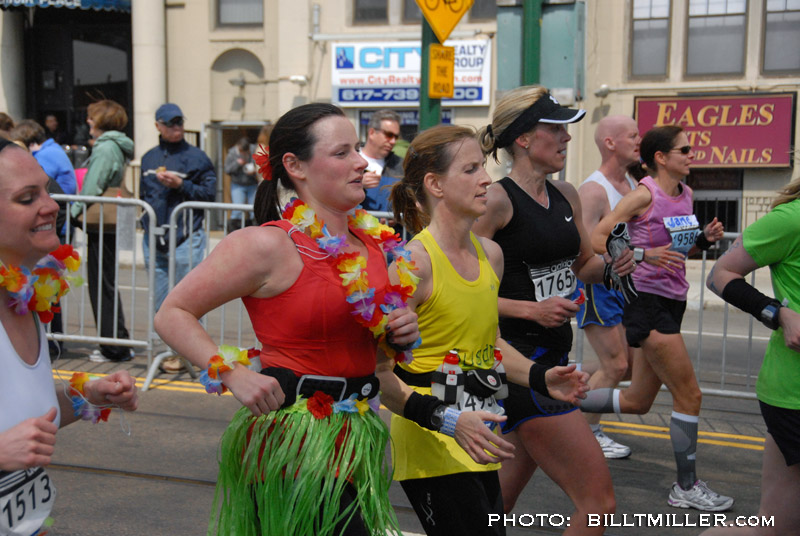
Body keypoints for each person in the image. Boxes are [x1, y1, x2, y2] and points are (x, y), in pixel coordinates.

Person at [153, 103, 518, 535]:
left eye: (357, 151)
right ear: (295, 166)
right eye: (342, 152)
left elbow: (380, 365)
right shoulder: (266, 245)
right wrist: (232, 373)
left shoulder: (378, 247)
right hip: (294, 446)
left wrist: (400, 337)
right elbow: (173, 313)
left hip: (356, 438)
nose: (361, 162)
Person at [388, 124, 591, 536]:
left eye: (482, 167)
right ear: (435, 184)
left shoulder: (491, 255)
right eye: (470, 170)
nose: (485, 179)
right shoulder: (413, 265)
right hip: (434, 438)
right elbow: (380, 373)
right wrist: (446, 419)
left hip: (483, 426)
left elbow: (490, 342)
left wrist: (540, 377)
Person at [473, 86, 634, 534]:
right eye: (555, 128)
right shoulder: (496, 201)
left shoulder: (566, 194)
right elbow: (460, 291)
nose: (566, 137)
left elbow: (584, 265)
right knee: (597, 501)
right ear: (523, 138)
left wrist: (618, 267)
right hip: (515, 361)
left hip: (552, 360)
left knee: (494, 507)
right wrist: (530, 310)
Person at [584, 125, 732, 511]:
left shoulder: (686, 194)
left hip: (673, 301)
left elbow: (677, 250)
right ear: (662, 158)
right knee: (690, 395)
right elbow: (599, 238)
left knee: (638, 401)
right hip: (645, 302)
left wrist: (704, 240)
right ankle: (685, 487)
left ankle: (550, 399)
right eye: (684, 149)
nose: (692, 154)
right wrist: (643, 254)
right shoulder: (643, 194)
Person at [0, 137, 138, 536]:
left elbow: (26, 419)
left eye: (46, 188)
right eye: (27, 198)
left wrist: (89, 395)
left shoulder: (24, 298)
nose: (51, 204)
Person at [699, 180, 800, 535]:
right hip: (793, 393)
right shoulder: (791, 220)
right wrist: (779, 314)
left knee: (773, 527)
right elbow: (720, 274)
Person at [575, 115, 641, 459]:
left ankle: (557, 385)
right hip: (599, 285)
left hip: (626, 284)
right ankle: (589, 433)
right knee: (615, 365)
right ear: (610, 143)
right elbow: (582, 248)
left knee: (623, 365)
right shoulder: (594, 189)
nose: (639, 140)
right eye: (632, 135)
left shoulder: (632, 184)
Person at [140, 103, 216, 373]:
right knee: (161, 300)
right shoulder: (149, 158)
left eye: (179, 123)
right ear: (158, 126)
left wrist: (181, 185)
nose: (176, 128)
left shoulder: (196, 157)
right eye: (170, 123)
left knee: (190, 300)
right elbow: (144, 196)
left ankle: (196, 355)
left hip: (186, 236)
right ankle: (170, 353)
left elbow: (210, 194)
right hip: (155, 237)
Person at [69, 100, 135, 363]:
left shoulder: (106, 147)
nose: (88, 122)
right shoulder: (117, 145)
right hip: (108, 220)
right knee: (105, 281)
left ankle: (113, 345)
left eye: (91, 117)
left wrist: (74, 212)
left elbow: (93, 185)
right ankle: (116, 340)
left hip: (100, 220)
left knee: (100, 283)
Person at [10, 120, 76, 196]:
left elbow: (38, 183)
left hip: (60, 202)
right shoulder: (53, 148)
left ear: (30, 144)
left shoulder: (44, 155)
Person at [360, 109, 403, 214]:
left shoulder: (401, 166)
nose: (393, 141)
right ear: (372, 133)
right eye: (389, 135)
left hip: (392, 229)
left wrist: (397, 216)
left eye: (396, 137)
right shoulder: (350, 161)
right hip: (353, 228)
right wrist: (357, 184)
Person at [223, 136, 258, 228]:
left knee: (254, 209)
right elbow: (227, 170)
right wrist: (238, 163)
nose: (244, 153)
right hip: (237, 184)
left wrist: (255, 171)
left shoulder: (255, 150)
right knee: (237, 209)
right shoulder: (232, 153)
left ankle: (255, 229)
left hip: (252, 184)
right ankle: (233, 230)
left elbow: (261, 166)